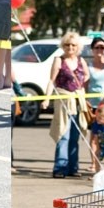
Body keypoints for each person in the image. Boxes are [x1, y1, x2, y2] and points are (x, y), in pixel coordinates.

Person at [43, 32, 90, 178]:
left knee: (75, 136)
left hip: (77, 101)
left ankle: (73, 168)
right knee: (63, 134)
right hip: (63, 100)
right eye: (67, 45)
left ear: (78, 47)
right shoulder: (59, 60)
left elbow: (87, 75)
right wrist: (47, 98)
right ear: (63, 46)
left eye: (73, 45)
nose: (70, 47)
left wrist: (81, 89)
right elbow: (52, 80)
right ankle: (60, 168)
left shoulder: (81, 61)